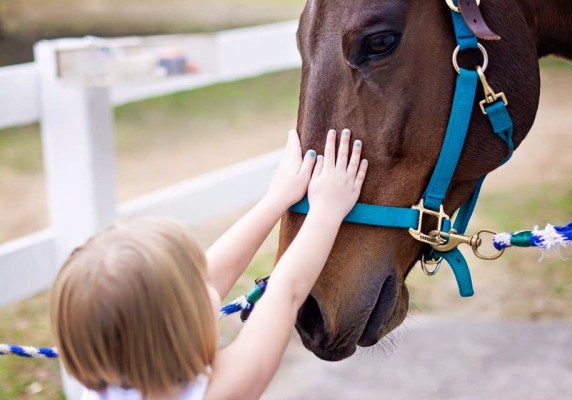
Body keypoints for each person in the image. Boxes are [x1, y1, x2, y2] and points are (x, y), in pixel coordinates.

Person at [50, 128, 368, 400]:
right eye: (198, 282)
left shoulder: (102, 382)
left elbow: (206, 277)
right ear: (177, 328)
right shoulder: (222, 390)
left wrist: (276, 199)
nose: (208, 278)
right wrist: (327, 209)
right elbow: (286, 292)